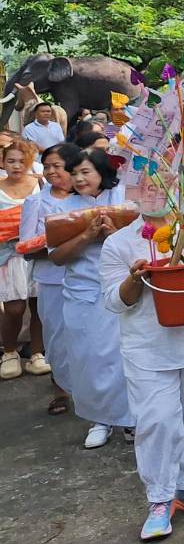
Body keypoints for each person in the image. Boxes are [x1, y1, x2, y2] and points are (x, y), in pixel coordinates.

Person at [100, 205, 184, 540]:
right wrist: (134, 279)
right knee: (157, 421)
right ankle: (159, 498)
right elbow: (114, 301)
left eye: (160, 176)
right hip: (147, 347)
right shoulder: (120, 242)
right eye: (143, 181)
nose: (154, 188)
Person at [47, 146, 135, 449]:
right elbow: (57, 257)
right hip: (82, 291)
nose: (79, 178)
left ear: (102, 173)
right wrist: (86, 236)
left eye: (86, 172)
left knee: (125, 356)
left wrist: (111, 235)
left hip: (124, 288)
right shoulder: (63, 208)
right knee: (89, 358)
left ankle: (131, 418)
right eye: (75, 173)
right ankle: (100, 420)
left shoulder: (123, 198)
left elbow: (142, 242)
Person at [21, 143, 74, 415]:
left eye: (58, 166)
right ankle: (61, 390)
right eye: (48, 166)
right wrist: (58, 245)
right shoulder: (36, 202)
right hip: (53, 279)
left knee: (89, 338)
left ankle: (93, 393)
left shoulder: (87, 199)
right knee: (57, 338)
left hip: (87, 278)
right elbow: (26, 248)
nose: (52, 172)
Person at [0, 141, 43, 380]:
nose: (17, 166)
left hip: (38, 255)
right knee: (14, 308)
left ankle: (36, 353)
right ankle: (9, 352)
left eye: (22, 161)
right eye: (11, 161)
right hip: (9, 257)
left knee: (39, 306)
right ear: (3, 162)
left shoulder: (40, 183)